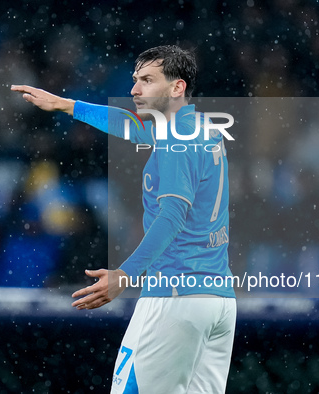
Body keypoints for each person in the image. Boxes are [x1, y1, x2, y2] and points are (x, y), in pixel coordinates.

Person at [12, 45, 237, 394]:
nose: (134, 90)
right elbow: (130, 127)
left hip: (174, 296)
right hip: (217, 299)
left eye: (147, 80)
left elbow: (172, 215)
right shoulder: (197, 127)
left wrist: (125, 275)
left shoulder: (176, 137)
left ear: (177, 87)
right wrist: (65, 104)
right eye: (135, 80)